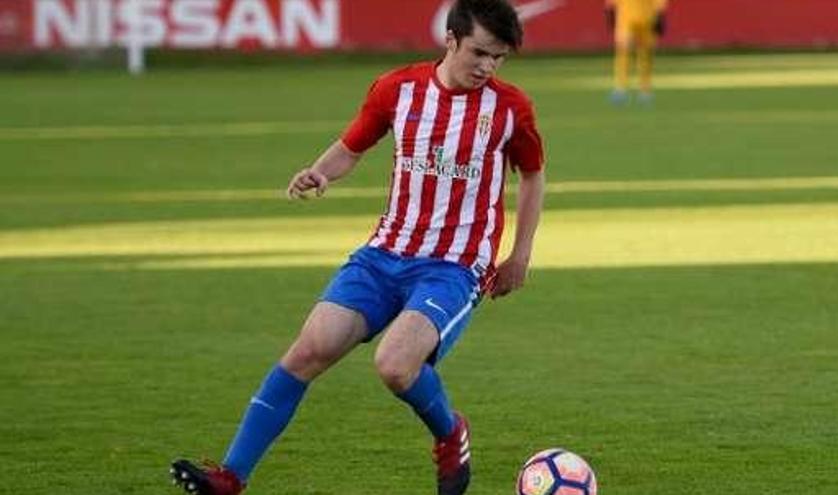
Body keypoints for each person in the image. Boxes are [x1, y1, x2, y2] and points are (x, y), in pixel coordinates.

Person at [169, 1, 545, 494]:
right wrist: (319, 172)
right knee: (307, 352)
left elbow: (533, 175)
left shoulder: (509, 108)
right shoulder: (398, 89)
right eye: (479, 53)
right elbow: (351, 147)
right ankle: (230, 477)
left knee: (394, 365)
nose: (487, 67)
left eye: (498, 58)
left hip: (453, 266)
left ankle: (451, 434)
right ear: (450, 39)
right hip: (384, 254)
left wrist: (520, 255)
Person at [605, 0, 669, 104]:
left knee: (644, 54)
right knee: (624, 53)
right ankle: (621, 89)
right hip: (628, 19)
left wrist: (660, 16)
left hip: (645, 19)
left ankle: (644, 90)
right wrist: (610, 13)